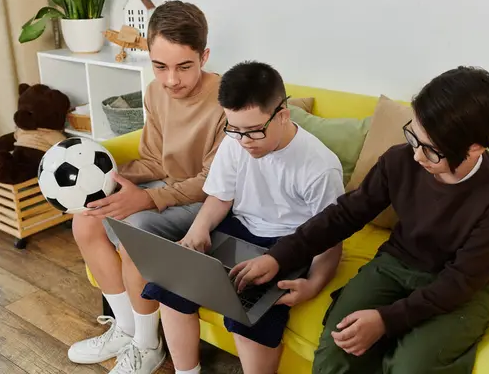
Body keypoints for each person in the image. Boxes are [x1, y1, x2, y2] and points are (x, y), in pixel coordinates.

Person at [231, 66, 489, 374]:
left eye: (432, 150)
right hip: (396, 264)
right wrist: (278, 257)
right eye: (414, 136)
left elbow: (462, 281)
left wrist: (386, 320)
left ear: (475, 147)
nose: (418, 156)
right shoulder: (400, 160)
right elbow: (345, 214)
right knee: (337, 349)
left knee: (411, 367)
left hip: (461, 289)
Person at [140, 61, 346, 374]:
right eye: (234, 129)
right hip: (240, 227)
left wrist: (314, 284)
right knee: (171, 283)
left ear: (283, 115)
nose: (245, 141)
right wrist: (198, 230)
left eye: (254, 131)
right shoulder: (235, 142)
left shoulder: (319, 167)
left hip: (291, 242)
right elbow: (220, 197)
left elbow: (329, 240)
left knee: (249, 312)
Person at [67, 1, 226, 374]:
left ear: (204, 56)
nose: (171, 80)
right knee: (86, 218)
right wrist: (106, 179)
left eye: (184, 66)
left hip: (207, 201)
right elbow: (154, 159)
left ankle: (148, 344)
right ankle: (125, 329)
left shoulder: (224, 101)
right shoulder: (155, 92)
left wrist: (148, 198)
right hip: (167, 188)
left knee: (135, 231)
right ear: (149, 56)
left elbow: (214, 182)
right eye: (160, 66)